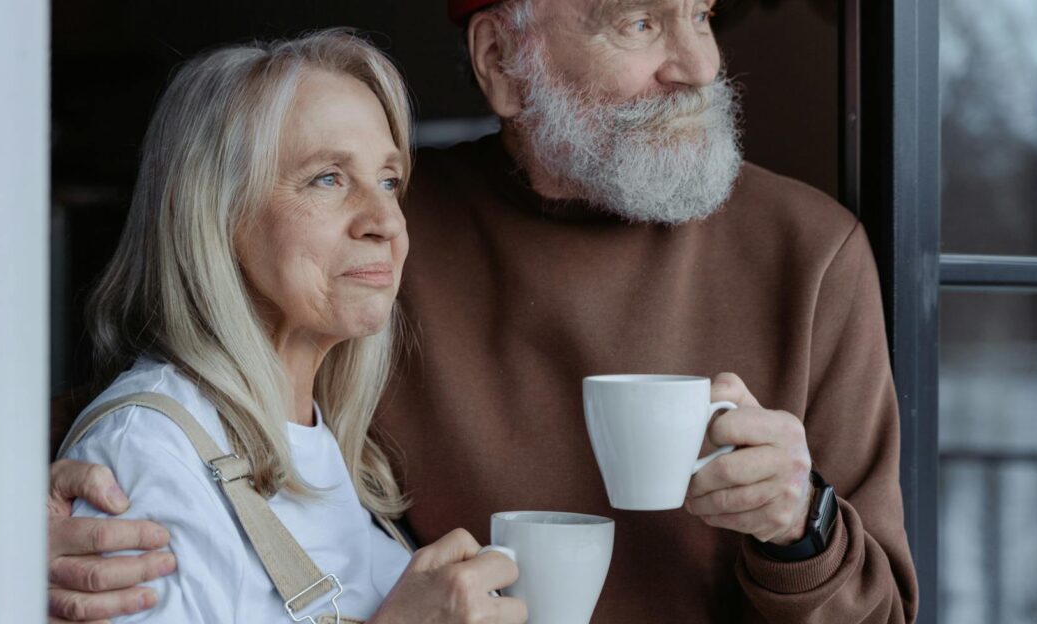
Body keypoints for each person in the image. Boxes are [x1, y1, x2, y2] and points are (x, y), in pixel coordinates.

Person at [48, 1, 920, 622]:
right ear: (502, 59)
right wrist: (10, 524)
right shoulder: (377, 251)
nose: (698, 65)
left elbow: (880, 614)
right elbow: (169, 410)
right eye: (640, 22)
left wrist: (800, 528)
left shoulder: (812, 253)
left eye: (700, 14)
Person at [50, 30, 527, 624]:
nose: (386, 220)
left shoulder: (328, 446)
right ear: (214, 211)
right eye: (327, 178)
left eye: (388, 180)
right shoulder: (144, 455)